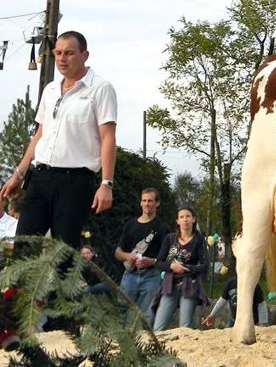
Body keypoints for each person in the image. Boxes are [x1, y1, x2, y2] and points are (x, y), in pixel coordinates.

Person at [0, 31, 117, 249]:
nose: (62, 58)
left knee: (63, 252)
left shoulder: (100, 89)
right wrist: (18, 173)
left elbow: (108, 137)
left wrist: (106, 183)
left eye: (69, 53)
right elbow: (40, 134)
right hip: (40, 177)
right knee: (23, 247)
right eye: (58, 53)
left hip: (74, 182)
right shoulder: (50, 89)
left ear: (84, 55)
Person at [114, 188, 168, 325]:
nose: (147, 204)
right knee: (122, 310)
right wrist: (127, 256)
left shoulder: (163, 228)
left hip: (152, 276)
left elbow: (168, 257)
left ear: (157, 203)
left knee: (146, 315)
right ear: (140, 203)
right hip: (130, 274)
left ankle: (142, 338)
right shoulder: (130, 225)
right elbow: (118, 252)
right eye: (144, 200)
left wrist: (152, 261)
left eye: (150, 201)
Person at [152, 207, 208, 331]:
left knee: (185, 326)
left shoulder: (198, 240)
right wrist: (171, 266)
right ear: (177, 221)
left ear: (193, 219)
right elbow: (158, 263)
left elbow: (205, 266)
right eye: (181, 217)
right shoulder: (170, 238)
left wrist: (185, 268)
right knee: (158, 327)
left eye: (188, 216)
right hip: (170, 285)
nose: (185, 219)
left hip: (189, 284)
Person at [203, 269, 268, 328]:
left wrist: (263, 322)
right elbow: (221, 301)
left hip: (251, 322)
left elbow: (261, 304)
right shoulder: (230, 284)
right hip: (234, 320)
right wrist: (211, 315)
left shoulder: (254, 285)